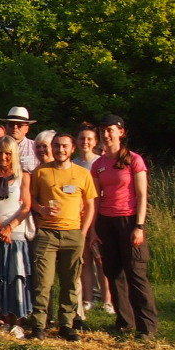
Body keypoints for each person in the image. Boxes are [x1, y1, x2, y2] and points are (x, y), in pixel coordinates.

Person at [90, 115, 158, 340]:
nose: (105, 135)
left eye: (110, 130)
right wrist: (94, 228)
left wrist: (139, 226)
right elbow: (96, 198)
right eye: (102, 131)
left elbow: (141, 195)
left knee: (136, 273)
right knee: (113, 272)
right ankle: (124, 321)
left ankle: (147, 326)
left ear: (121, 132)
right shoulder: (98, 165)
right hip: (106, 222)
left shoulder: (134, 160)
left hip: (129, 221)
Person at [29, 132, 97, 341]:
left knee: (70, 282)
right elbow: (30, 200)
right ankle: (39, 325)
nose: (60, 150)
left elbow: (90, 206)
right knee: (43, 282)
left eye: (64, 146)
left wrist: (82, 233)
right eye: (56, 146)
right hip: (46, 234)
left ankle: (66, 324)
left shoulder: (82, 174)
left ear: (72, 149)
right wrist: (41, 210)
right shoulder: (41, 172)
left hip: (73, 234)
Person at [0, 136, 33, 338]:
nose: (3, 157)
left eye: (8, 153)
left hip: (15, 234)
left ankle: (17, 320)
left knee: (15, 276)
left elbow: (26, 206)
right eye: (0, 153)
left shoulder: (24, 177)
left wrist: (9, 227)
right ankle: (0, 318)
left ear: (14, 155)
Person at [73, 122, 113, 315]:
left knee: (100, 259)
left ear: (95, 141)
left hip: (97, 217)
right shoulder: (73, 163)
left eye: (89, 139)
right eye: (82, 138)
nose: (85, 142)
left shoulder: (100, 162)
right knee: (85, 260)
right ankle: (88, 299)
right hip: (77, 218)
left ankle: (108, 301)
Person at [1, 107, 38, 172]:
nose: (15, 127)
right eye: (11, 124)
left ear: (27, 128)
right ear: (6, 127)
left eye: (19, 125)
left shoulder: (36, 148)